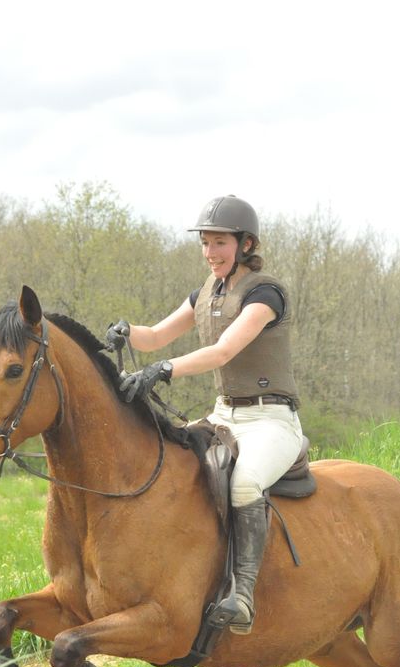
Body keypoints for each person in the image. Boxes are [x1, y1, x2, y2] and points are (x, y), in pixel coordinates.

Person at [106, 195, 304, 634]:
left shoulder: (265, 294)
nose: (211, 253)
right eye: (205, 244)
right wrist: (126, 331)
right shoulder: (204, 294)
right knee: (171, 464)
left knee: (245, 483)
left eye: (220, 243)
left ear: (245, 244)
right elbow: (155, 336)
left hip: (271, 420)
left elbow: (224, 351)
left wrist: (164, 370)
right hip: (224, 415)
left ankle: (243, 593)